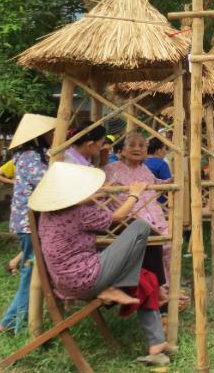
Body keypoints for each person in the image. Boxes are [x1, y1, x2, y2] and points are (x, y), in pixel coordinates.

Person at [29, 162, 176, 365]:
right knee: (141, 227)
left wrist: (94, 196)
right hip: (86, 279)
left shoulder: (47, 214)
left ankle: (157, 343)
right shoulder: (79, 213)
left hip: (66, 281)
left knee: (144, 274)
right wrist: (134, 193)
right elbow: (117, 217)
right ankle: (117, 286)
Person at [0, 113, 56, 333]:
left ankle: (13, 321)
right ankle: (11, 322)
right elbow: (46, 182)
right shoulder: (30, 156)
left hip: (29, 223)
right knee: (30, 273)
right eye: (50, 133)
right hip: (28, 223)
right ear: (39, 136)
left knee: (30, 271)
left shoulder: (35, 154)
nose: (53, 135)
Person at [104, 133, 170, 290]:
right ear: (122, 150)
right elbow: (103, 193)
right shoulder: (110, 169)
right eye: (132, 145)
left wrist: (173, 181)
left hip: (155, 217)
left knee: (170, 244)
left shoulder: (145, 169)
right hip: (129, 220)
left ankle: (168, 286)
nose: (137, 149)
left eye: (141, 146)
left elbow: (156, 183)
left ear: (147, 151)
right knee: (157, 244)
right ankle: (159, 288)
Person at [0, 159, 22, 275]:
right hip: (24, 205)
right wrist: (14, 182)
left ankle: (13, 263)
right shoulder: (16, 161)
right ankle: (14, 263)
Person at [145, 138, 173, 205]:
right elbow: (168, 181)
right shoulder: (161, 164)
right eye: (165, 149)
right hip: (159, 200)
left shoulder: (140, 162)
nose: (166, 152)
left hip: (141, 199)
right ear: (159, 151)